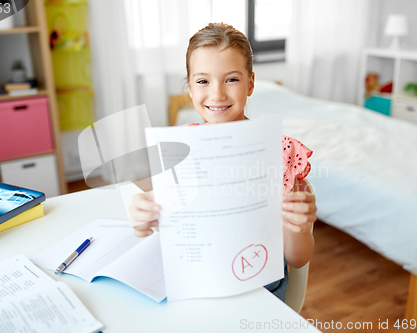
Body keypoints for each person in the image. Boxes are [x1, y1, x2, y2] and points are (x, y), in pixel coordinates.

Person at [129, 22, 317, 303]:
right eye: (203, 81)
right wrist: (142, 215)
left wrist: (301, 228)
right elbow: (164, 226)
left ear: (250, 83)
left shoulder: (279, 153)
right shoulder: (178, 148)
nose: (216, 94)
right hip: (196, 284)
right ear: (190, 88)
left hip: (257, 292)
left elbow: (298, 260)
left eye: (231, 79)